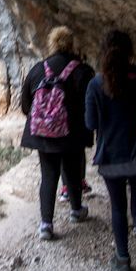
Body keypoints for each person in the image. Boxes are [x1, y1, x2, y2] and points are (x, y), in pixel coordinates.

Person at [84, 30, 136, 271]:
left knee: (118, 209)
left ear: (103, 51)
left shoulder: (96, 84)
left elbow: (90, 123)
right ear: (130, 52)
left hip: (111, 159)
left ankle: (123, 260)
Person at [20, 26, 95, 241]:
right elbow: (89, 104)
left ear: (51, 43)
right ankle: (76, 210)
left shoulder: (38, 69)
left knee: (48, 175)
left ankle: (46, 225)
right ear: (71, 44)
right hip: (71, 133)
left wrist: (44, 120)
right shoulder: (82, 70)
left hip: (43, 134)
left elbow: (26, 104)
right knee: (72, 172)